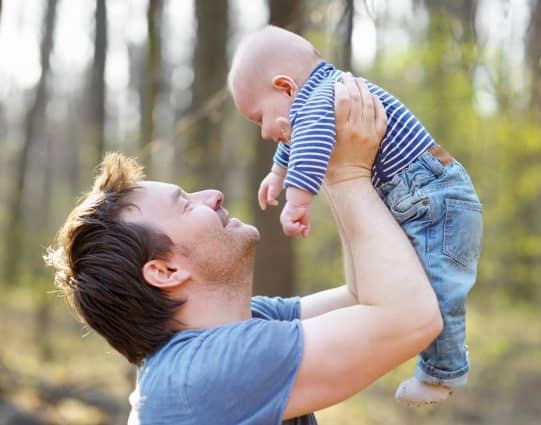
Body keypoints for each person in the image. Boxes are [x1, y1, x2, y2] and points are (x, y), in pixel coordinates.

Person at [45, 76, 443, 424]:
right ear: (165, 271)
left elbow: (368, 297)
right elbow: (411, 317)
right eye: (186, 204)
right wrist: (347, 173)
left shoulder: (238, 327)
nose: (213, 196)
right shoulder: (203, 373)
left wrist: (325, 158)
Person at [228, 25, 483, 405]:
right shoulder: (318, 98)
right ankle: (440, 368)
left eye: (258, 118)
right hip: (420, 196)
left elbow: (310, 142)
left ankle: (442, 372)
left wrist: (297, 202)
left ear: (285, 88)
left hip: (433, 197)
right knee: (421, 282)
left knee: (439, 288)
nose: (265, 132)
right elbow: (296, 135)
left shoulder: (321, 100)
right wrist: (278, 173)